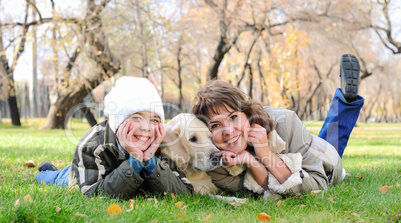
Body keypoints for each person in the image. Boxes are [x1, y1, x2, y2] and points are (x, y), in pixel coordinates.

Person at [190, 54, 364, 198]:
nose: (228, 131)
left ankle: (346, 103)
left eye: (234, 117)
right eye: (215, 125)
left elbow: (317, 188)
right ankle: (346, 104)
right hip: (302, 153)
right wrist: (251, 160)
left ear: (247, 113)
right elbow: (261, 191)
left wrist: (265, 153)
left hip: (327, 161)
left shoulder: (285, 121)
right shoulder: (216, 166)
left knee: (331, 142)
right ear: (207, 133)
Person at [36, 76, 193, 199]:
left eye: (154, 120)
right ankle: (47, 172)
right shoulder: (91, 145)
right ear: (118, 120)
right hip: (83, 175)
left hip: (97, 169)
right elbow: (93, 195)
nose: (146, 128)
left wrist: (151, 163)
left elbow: (184, 192)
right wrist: (135, 162)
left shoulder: (160, 143)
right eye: (136, 117)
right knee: (57, 178)